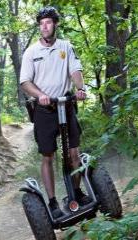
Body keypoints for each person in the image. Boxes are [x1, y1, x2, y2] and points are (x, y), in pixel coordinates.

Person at [20, 6, 90, 219]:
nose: (44, 27)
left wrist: (80, 88)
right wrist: (40, 95)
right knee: (48, 156)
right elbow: (25, 82)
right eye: (41, 24)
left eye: (48, 22)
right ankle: (52, 203)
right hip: (44, 109)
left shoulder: (65, 47)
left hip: (66, 104)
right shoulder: (32, 52)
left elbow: (75, 70)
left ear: (55, 24)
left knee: (73, 153)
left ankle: (75, 193)